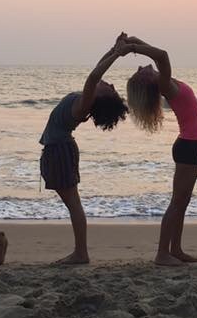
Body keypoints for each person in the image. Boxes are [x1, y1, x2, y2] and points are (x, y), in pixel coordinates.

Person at [39, 38, 129, 264]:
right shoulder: (85, 99)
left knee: (73, 204)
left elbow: (94, 77)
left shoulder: (84, 104)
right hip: (58, 149)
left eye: (112, 89)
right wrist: (113, 49)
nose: (111, 84)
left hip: (60, 150)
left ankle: (81, 253)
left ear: (102, 97)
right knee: (72, 203)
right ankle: (80, 252)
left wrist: (117, 55)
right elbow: (95, 73)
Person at [122, 35, 197, 266]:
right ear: (150, 82)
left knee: (183, 201)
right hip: (188, 146)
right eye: (140, 71)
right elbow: (162, 55)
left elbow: (153, 53)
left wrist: (130, 42)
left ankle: (176, 249)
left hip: (189, 145)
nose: (140, 65)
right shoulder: (165, 84)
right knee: (177, 202)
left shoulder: (164, 81)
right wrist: (132, 48)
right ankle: (162, 253)